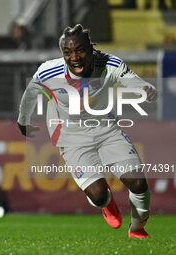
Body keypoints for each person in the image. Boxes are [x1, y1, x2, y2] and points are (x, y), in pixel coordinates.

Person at [17, 24, 157, 238]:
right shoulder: (48, 71)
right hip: (71, 136)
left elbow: (133, 81)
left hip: (106, 130)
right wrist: (22, 120)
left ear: (90, 49)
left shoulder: (110, 64)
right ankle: (107, 205)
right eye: (68, 52)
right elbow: (30, 94)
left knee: (138, 182)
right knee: (99, 195)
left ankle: (137, 229)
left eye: (80, 50)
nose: (75, 57)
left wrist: (145, 88)